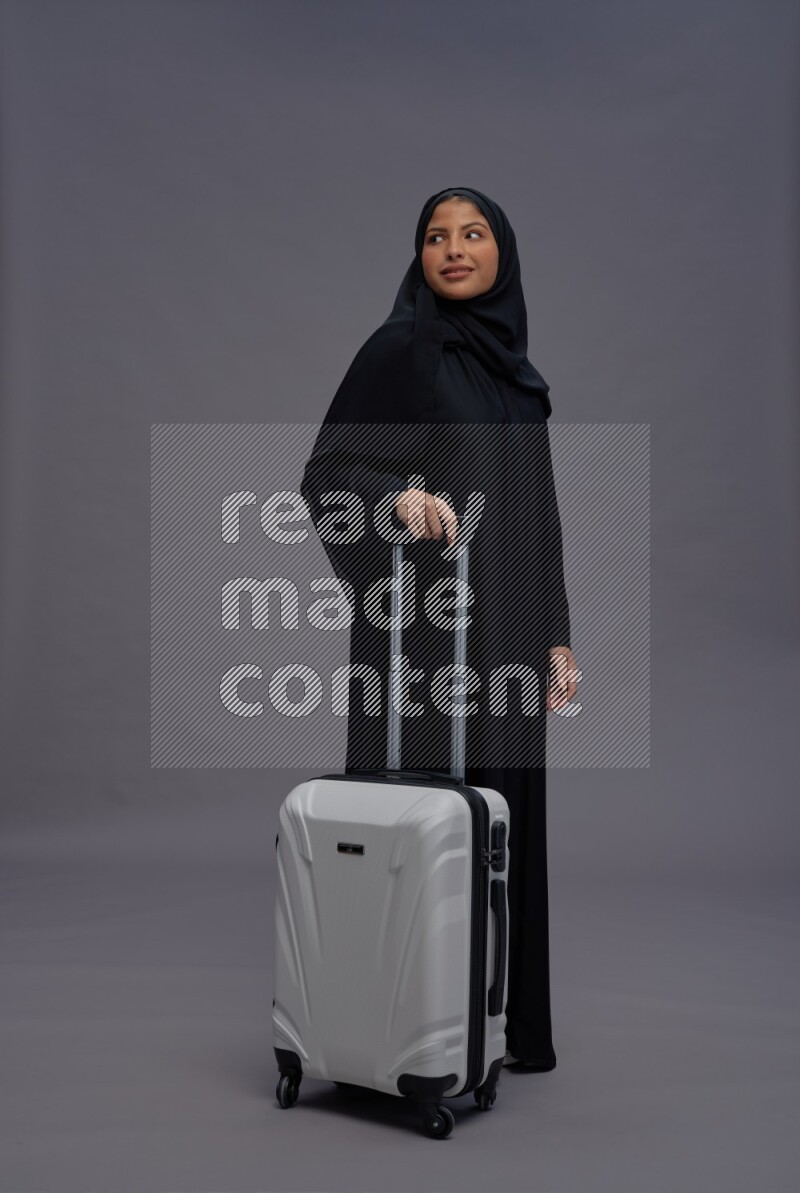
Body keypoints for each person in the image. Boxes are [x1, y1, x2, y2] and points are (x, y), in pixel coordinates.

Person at [301, 186, 578, 1071]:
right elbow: (328, 474)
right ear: (417, 254)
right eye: (434, 236)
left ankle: (500, 1030)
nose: (453, 249)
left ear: (503, 253)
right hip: (424, 639)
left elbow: (539, 517)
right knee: (428, 819)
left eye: (473, 233)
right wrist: (396, 496)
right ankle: (410, 1036)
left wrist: (557, 637)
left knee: (503, 825)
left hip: (511, 641)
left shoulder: (516, 381)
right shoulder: (400, 351)